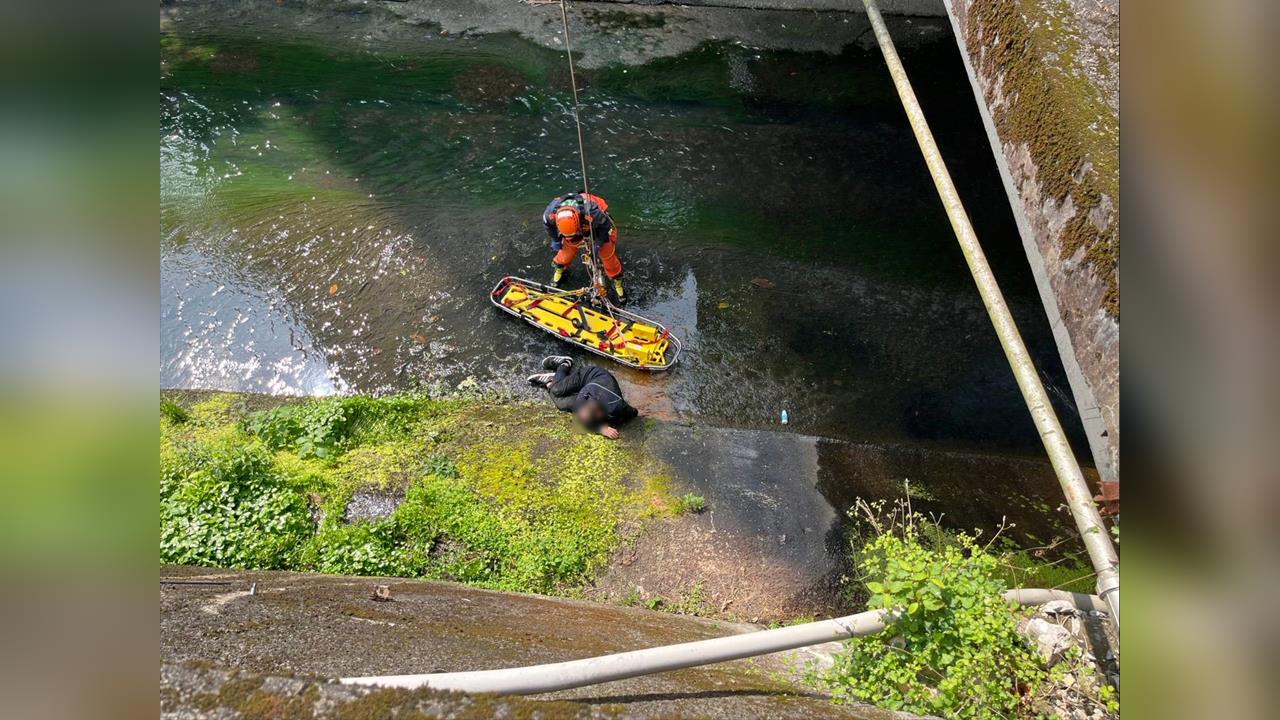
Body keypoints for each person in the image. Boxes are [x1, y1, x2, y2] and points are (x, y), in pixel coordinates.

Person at [528, 355, 637, 439]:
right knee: (557, 390)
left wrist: (637, 413)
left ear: (599, 414)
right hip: (588, 381)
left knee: (560, 403)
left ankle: (553, 380)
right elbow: (584, 420)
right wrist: (601, 429)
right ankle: (564, 365)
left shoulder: (615, 405)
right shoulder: (581, 401)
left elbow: (632, 412)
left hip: (596, 377)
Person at [543, 191, 625, 300]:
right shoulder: (550, 214)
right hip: (576, 227)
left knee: (607, 255)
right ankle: (560, 267)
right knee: (567, 250)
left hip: (597, 226)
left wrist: (598, 244)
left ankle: (617, 279)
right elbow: (548, 226)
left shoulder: (593, 213)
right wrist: (556, 240)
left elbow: (605, 227)